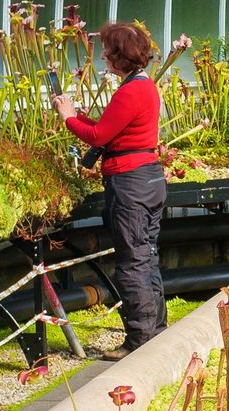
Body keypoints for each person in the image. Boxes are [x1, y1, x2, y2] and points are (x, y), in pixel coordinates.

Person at [54, 22, 168, 358]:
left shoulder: (131, 91)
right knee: (145, 256)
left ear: (120, 56)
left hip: (130, 185)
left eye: (107, 51)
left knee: (132, 262)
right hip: (148, 179)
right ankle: (155, 329)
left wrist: (68, 119)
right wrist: (79, 116)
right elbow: (112, 130)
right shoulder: (143, 86)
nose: (103, 56)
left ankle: (140, 339)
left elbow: (99, 137)